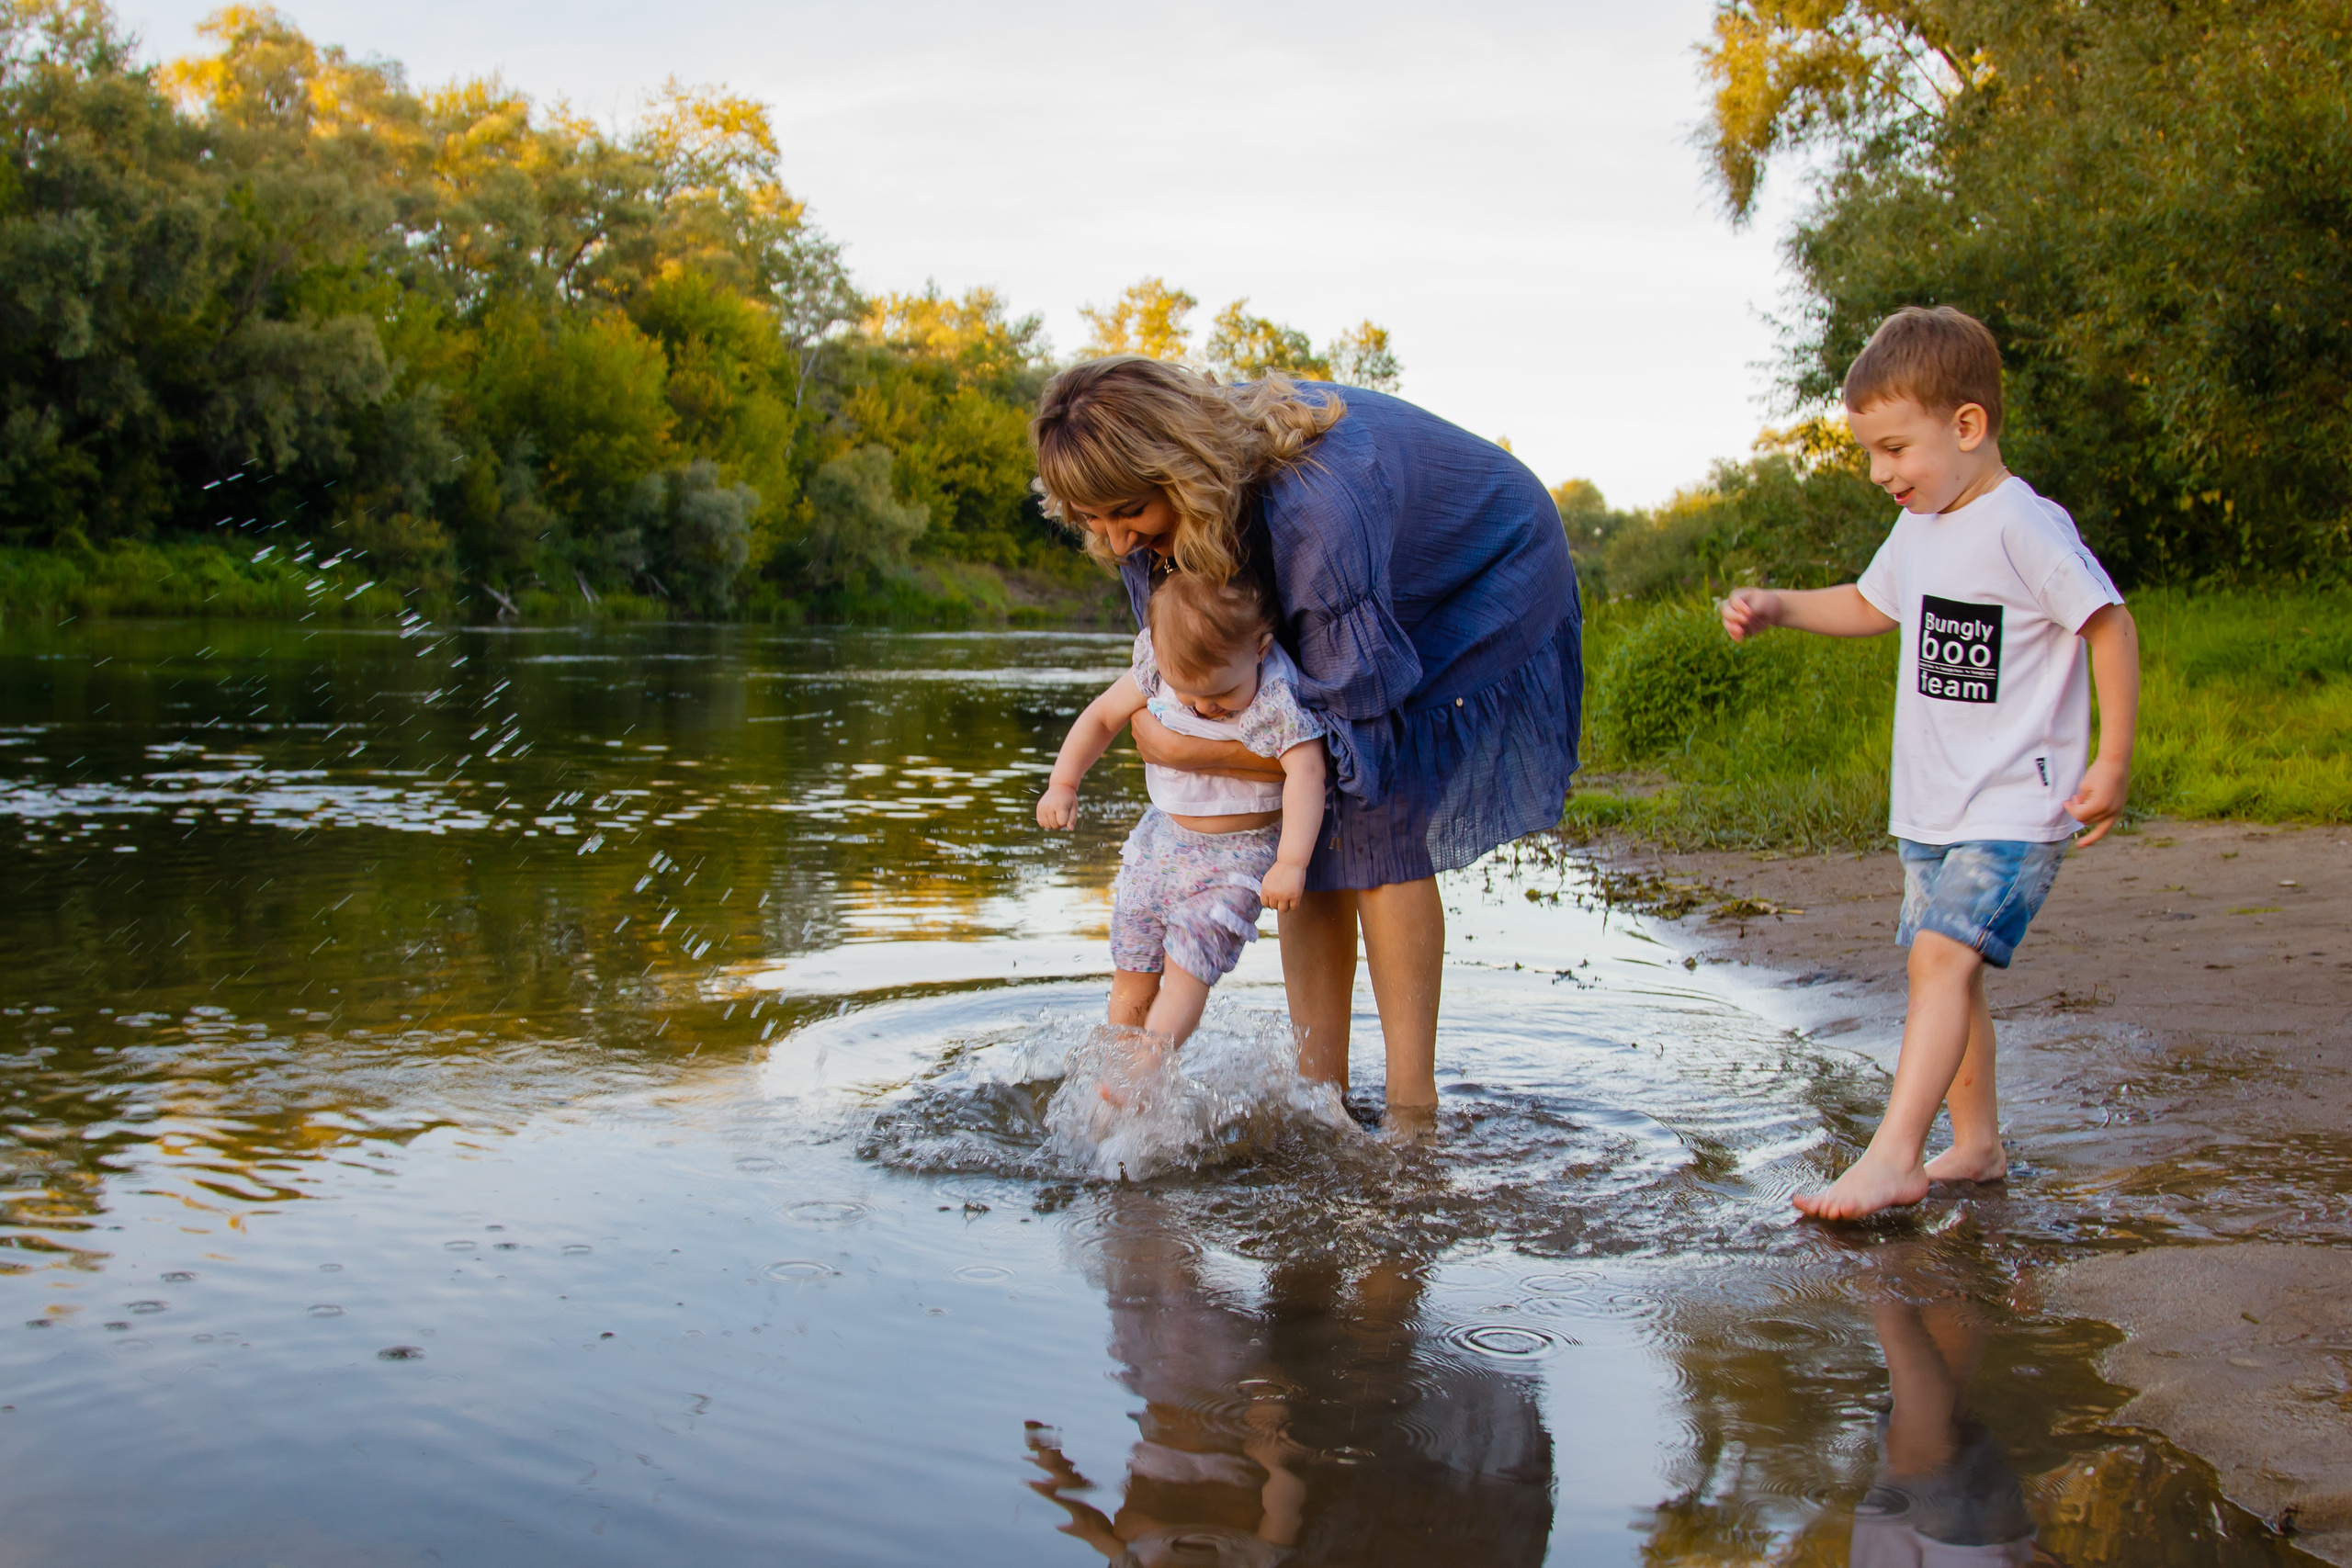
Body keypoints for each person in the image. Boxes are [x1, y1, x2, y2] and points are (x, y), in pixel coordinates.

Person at [1031, 359, 1580, 1122]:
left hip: (1485, 567)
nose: (1115, 539)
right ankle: (1321, 1097)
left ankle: (1413, 1113)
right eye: (1091, 518)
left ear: (1179, 471)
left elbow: (1345, 734)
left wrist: (1191, 752)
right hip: (1360, 562)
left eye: (1126, 512)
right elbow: (1180, 675)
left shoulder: (1314, 515)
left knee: (1377, 814)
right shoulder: (1145, 525)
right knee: (1309, 841)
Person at [1720, 305, 2141, 1221]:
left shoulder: (2020, 525)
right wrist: (1782, 606)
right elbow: (1874, 606)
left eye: (1895, 449)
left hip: (2013, 802)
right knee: (1945, 972)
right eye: (1870, 453)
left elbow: (2108, 622)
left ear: (1966, 426)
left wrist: (2111, 758)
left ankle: (1894, 1157)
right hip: (1933, 809)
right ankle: (1977, 1144)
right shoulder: (1922, 529)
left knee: (1941, 963)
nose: (1880, 473)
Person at [1037, 570, 1329, 1054]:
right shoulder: (1159, 663)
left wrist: (1292, 861)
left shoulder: (1276, 697)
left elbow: (1307, 773)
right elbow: (1103, 716)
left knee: (1188, 968)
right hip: (1161, 843)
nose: (1201, 709)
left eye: (1220, 696)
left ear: (1259, 648)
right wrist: (1063, 782)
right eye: (1187, 694)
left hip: (1238, 861)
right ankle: (1115, 1062)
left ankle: (1148, 1063)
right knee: (1134, 963)